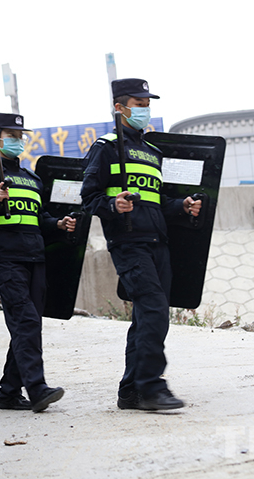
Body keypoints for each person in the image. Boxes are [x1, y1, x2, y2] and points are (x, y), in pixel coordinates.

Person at [80, 78, 202, 411]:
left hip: (157, 241)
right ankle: (152, 387)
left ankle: (131, 391)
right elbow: (88, 197)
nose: (145, 109)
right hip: (129, 242)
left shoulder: (152, 153)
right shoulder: (106, 147)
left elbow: (156, 201)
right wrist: (113, 205)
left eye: (148, 104)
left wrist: (181, 206)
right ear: (119, 108)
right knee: (154, 309)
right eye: (139, 104)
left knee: (146, 317)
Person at [0, 112, 74, 413]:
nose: (17, 141)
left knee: (27, 326)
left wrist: (58, 224)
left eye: (20, 136)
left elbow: (39, 219)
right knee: (26, 321)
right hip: (7, 260)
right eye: (11, 136)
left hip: (35, 258)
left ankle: (8, 393)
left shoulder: (32, 179)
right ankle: (37, 389)